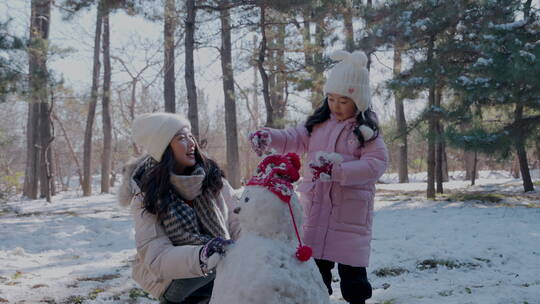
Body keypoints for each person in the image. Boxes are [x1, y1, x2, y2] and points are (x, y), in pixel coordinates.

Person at [249, 50, 388, 304]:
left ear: (359, 101)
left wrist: (339, 171)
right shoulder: (319, 124)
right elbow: (294, 138)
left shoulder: (365, 131)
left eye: (343, 100)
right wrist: (270, 136)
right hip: (316, 210)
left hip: (349, 217)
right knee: (316, 274)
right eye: (331, 98)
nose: (336, 105)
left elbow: (376, 164)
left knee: (353, 278)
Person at [119, 112, 240, 304]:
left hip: (218, 269)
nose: (192, 143)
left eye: (191, 136)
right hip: (172, 282)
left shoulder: (213, 180)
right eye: (181, 138)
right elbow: (157, 256)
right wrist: (203, 255)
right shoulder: (146, 194)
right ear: (164, 148)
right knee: (217, 263)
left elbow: (238, 221)